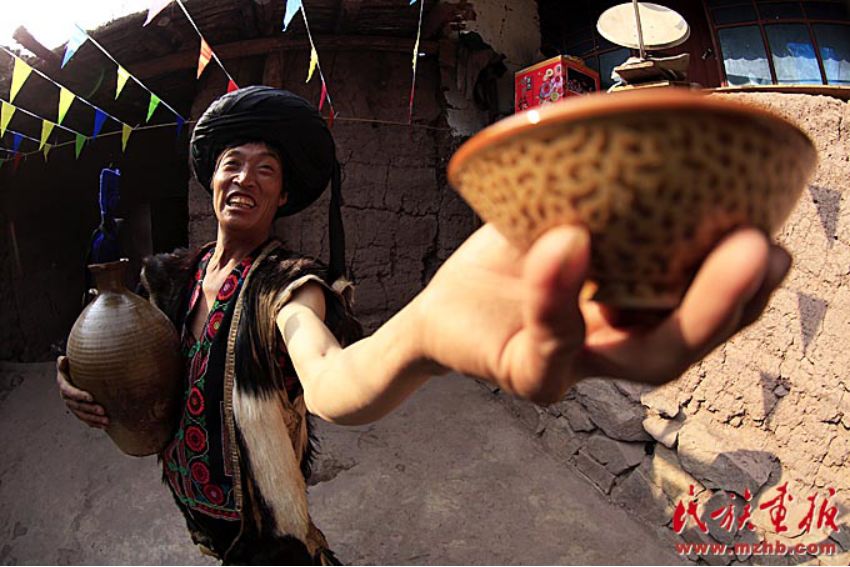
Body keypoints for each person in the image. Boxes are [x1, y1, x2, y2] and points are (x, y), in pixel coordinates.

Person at [56, 86, 791, 564]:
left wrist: (424, 333)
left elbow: (333, 378)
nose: (245, 177)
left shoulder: (289, 285)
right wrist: (82, 382)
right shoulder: (171, 277)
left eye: (266, 169)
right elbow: (145, 370)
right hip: (195, 509)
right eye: (232, 162)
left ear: (283, 197)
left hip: (268, 534)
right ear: (211, 179)